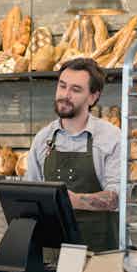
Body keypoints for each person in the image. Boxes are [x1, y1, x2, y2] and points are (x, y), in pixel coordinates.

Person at [25, 57, 120, 252]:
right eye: (62, 86)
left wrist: (72, 201)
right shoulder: (43, 139)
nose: (65, 95)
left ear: (93, 97)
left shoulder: (111, 138)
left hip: (97, 255)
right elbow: (30, 195)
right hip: (52, 255)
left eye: (75, 90)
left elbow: (116, 198)